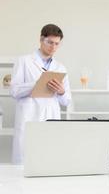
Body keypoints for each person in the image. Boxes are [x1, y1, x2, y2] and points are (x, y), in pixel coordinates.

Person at [10, 24, 72, 164]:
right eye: (50, 42)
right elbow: (14, 91)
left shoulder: (60, 67)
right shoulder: (24, 61)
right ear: (41, 39)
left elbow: (67, 101)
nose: (53, 47)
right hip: (29, 117)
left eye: (57, 44)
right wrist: (37, 83)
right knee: (25, 164)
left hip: (50, 118)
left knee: (48, 162)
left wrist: (61, 91)